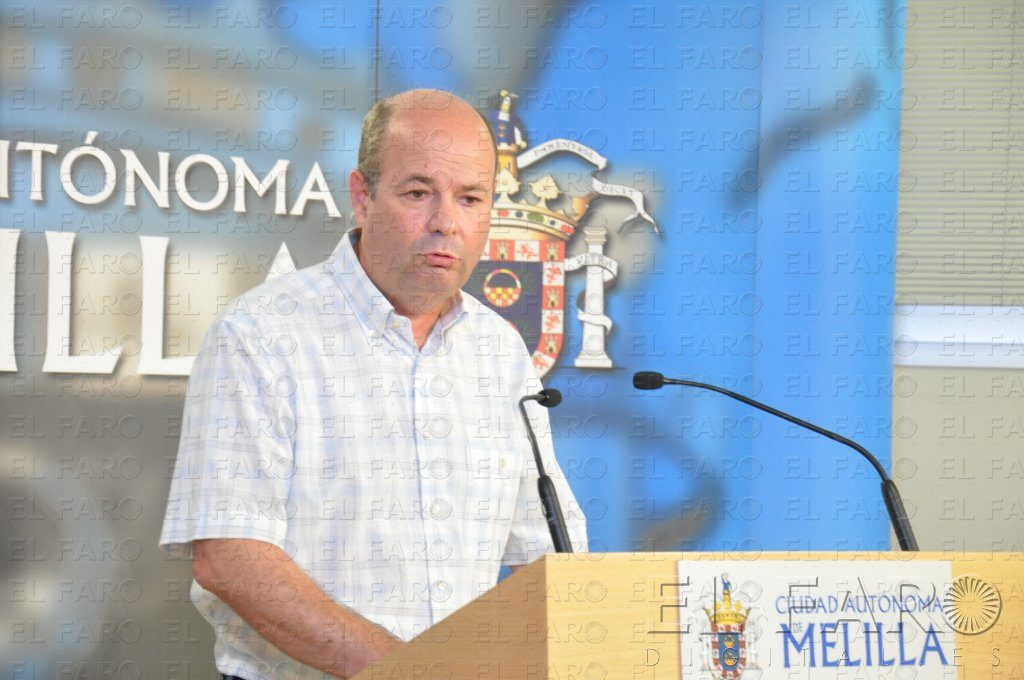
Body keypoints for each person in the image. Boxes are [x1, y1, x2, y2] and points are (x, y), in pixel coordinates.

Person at [159, 88, 588, 680]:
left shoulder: (500, 350)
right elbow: (230, 558)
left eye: (470, 198)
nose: (446, 222)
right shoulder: (262, 334)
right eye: (419, 193)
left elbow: (548, 555)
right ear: (362, 197)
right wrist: (410, 671)